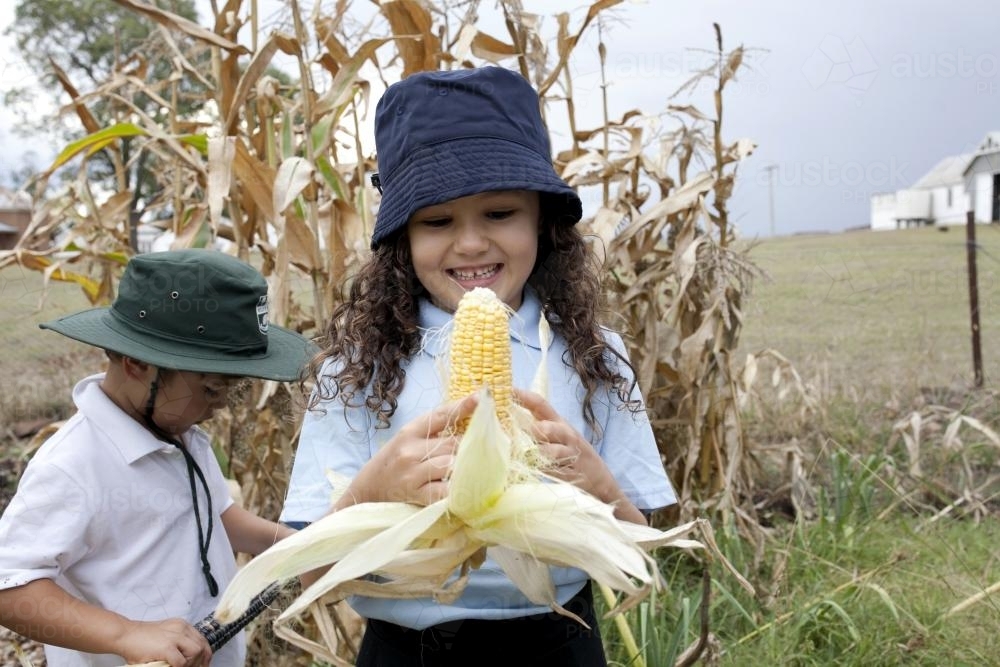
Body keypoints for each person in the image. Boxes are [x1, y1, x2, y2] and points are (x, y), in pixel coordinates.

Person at [281, 66, 676, 666]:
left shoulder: (596, 354)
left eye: (499, 214)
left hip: (561, 639)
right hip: (405, 650)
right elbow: (312, 575)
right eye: (437, 221)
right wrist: (371, 490)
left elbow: (638, 561)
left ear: (541, 220)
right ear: (402, 239)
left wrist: (598, 484)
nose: (469, 245)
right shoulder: (356, 368)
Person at [0, 249, 316, 667]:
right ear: (136, 364)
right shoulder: (74, 465)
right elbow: (11, 585)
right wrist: (125, 635)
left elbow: (215, 516)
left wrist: (296, 546)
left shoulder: (182, 435)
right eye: (210, 389)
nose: (221, 405)